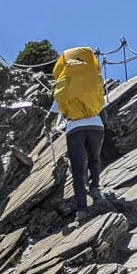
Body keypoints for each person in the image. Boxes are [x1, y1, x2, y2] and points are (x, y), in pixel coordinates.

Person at [49, 47, 111, 226]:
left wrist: (48, 128)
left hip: (74, 128)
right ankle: (95, 189)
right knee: (94, 159)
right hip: (96, 126)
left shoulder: (64, 84)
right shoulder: (92, 79)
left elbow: (51, 116)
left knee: (77, 169)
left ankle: (82, 210)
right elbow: (101, 105)